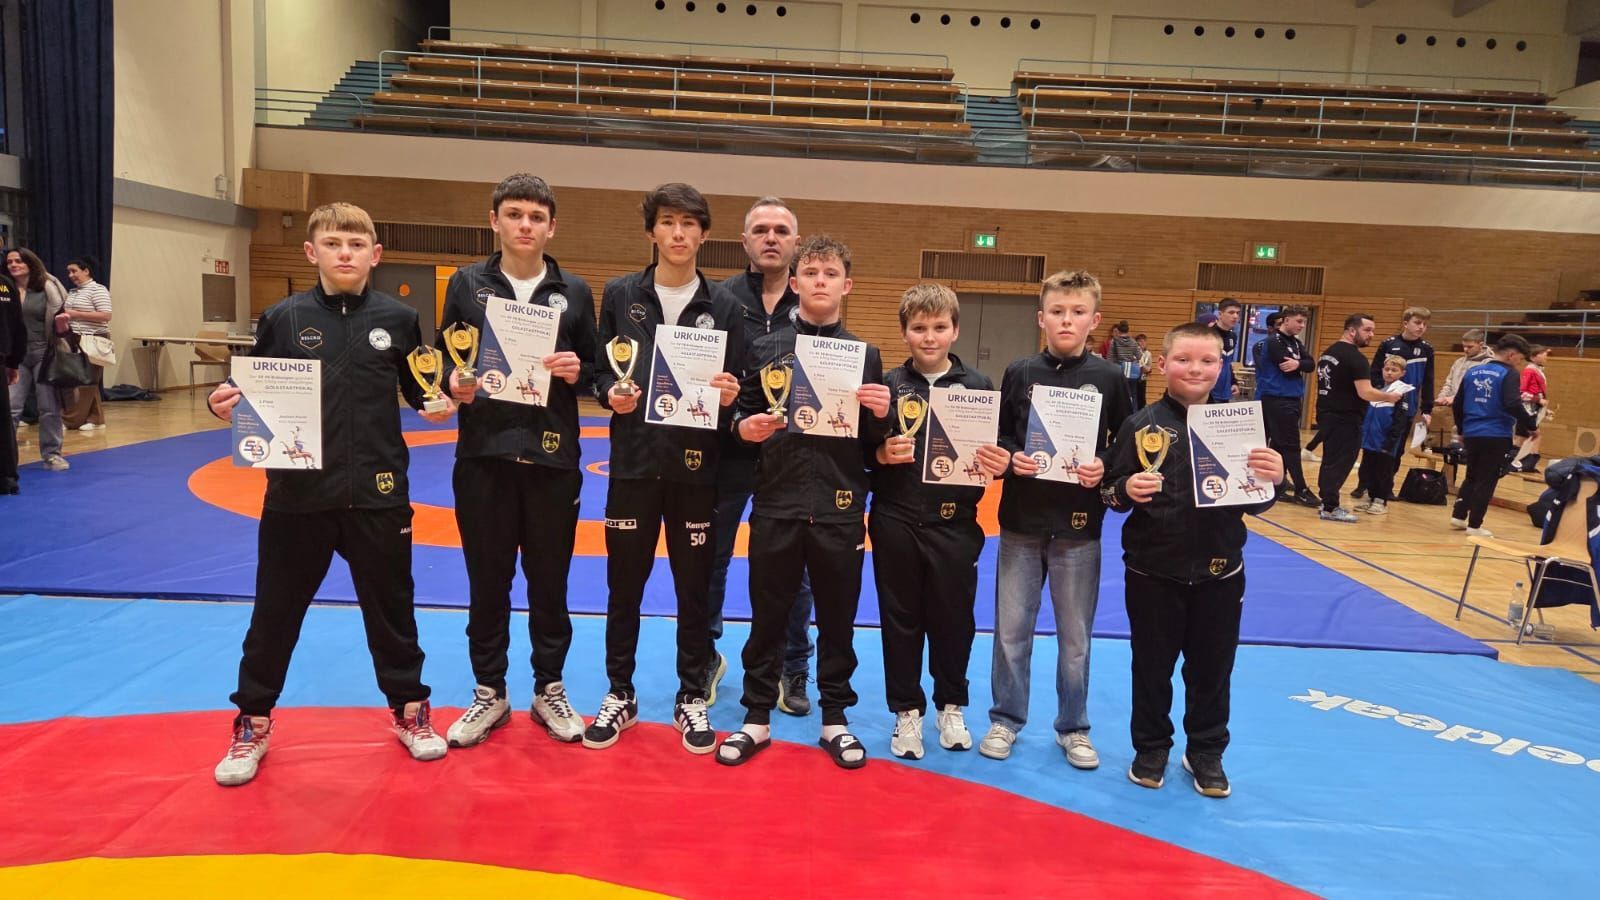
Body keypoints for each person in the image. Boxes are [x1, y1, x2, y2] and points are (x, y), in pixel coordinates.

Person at [207, 202, 456, 786]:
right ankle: (252, 720)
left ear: (376, 254)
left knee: (393, 609)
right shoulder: (282, 317)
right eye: (333, 243)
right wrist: (224, 404)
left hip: (379, 490)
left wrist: (438, 402)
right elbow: (248, 391)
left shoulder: (400, 319)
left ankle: (410, 709)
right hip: (298, 493)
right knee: (275, 612)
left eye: (356, 244)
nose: (345, 253)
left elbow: (417, 388)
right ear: (311, 251)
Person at [716, 235, 890, 769]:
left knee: (838, 619)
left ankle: (835, 719)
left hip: (840, 504)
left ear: (846, 285)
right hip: (777, 500)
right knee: (768, 615)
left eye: (830, 273)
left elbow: (873, 445)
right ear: (794, 283)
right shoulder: (766, 348)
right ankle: (756, 717)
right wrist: (743, 426)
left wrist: (881, 413)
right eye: (810, 273)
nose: (820, 281)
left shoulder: (866, 355)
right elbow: (738, 421)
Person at [436, 174, 597, 749]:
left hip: (553, 459)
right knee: (488, 582)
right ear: (495, 220)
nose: (525, 225)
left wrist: (578, 373)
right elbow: (445, 357)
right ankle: (490, 692)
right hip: (484, 455)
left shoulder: (574, 291)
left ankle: (549, 687)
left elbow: (597, 372)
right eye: (514, 214)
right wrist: (453, 381)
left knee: (550, 583)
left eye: (536, 216)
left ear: (552, 227)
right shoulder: (465, 283)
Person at [585, 183, 745, 755]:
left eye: (689, 223)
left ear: (704, 234)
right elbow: (600, 371)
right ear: (652, 231)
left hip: (697, 471)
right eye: (668, 222)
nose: (679, 233)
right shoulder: (621, 293)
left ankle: (691, 694)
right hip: (632, 464)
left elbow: (739, 389)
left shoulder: (726, 306)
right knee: (623, 586)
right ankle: (620, 692)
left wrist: (731, 396)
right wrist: (609, 395)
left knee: (693, 590)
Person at [1103, 321, 1284, 798]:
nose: (1195, 369)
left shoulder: (1241, 426)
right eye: (1183, 359)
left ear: (1221, 367)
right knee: (1151, 667)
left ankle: (1205, 751)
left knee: (1212, 670)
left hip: (1220, 572)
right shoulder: (1139, 425)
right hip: (1151, 571)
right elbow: (1108, 493)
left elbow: (1258, 503)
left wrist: (1275, 478)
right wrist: (1126, 488)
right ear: (1163, 364)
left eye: (1207, 360)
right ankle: (1151, 747)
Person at [981, 270, 1132, 769]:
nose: (1067, 320)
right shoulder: (1020, 371)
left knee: (1075, 639)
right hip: (1021, 522)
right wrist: (1012, 456)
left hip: (1079, 528)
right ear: (1040, 318)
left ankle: (1074, 727)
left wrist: (1103, 465)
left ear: (1095, 320)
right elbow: (1000, 435)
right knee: (1010, 632)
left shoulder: (1110, 378)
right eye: (1058, 312)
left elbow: (1125, 445)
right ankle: (1006, 718)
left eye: (1078, 312)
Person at [869, 283, 1008, 759]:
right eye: (919, 328)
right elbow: (862, 453)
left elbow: (996, 452)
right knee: (900, 620)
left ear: (955, 330)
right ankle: (906, 711)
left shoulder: (980, 387)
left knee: (954, 621)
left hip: (955, 523)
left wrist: (997, 462)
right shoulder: (888, 386)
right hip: (896, 518)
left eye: (939, 327)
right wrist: (879, 454)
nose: (929, 337)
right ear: (904, 332)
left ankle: (951, 705)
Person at [707, 196, 816, 715]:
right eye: (761, 230)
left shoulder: (812, 306)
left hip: (791, 460)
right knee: (711, 559)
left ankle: (793, 665)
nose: (771, 238)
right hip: (727, 451)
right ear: (744, 241)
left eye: (781, 231)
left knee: (794, 571)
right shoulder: (717, 299)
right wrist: (733, 422)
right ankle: (705, 655)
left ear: (796, 243)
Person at [1313, 314, 1401, 523]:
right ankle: (1330, 506)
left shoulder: (1328, 352)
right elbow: (1365, 392)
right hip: (1346, 417)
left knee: (1330, 460)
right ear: (1352, 330)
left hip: (1326, 414)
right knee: (1340, 462)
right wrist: (1390, 397)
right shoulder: (1355, 358)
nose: (1372, 335)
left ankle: (1327, 502)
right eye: (1367, 330)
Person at [1450, 335, 1538, 537]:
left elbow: (1457, 403)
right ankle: (1475, 525)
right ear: (1511, 355)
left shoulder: (1473, 371)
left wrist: (1462, 430)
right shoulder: (1509, 373)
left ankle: (1459, 515)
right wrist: (1530, 424)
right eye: (1520, 359)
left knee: (1472, 475)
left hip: (1472, 432)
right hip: (1495, 433)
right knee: (1487, 479)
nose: (1519, 363)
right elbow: (1512, 403)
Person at [4, 249, 71, 477]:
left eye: (18, 261)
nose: (13, 264)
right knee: (10, 408)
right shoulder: (5, 288)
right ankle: (6, 458)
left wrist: (62, 326)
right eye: (10, 262)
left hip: (44, 352)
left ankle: (52, 454)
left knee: (48, 407)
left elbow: (62, 327)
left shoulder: (47, 287)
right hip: (15, 356)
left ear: (30, 263)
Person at [1254, 306, 1318, 507]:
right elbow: (1284, 365)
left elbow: (1311, 364)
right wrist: (1301, 364)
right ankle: (1301, 489)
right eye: (1298, 321)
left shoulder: (1296, 343)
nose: (1302, 325)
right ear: (1286, 320)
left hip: (1291, 398)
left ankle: (1277, 485)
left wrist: (1298, 364)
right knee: (1290, 445)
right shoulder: (1274, 342)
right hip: (1277, 398)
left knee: (1279, 445)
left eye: (1304, 322)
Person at [1353, 355, 1417, 516]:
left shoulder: (1403, 391)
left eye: (1394, 370)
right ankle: (1371, 497)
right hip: (1370, 438)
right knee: (1368, 469)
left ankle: (1380, 500)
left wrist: (1391, 441)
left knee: (1383, 471)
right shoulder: (1377, 389)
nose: (1389, 373)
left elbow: (1400, 420)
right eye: (1387, 369)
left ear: (1402, 373)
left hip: (1386, 440)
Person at [58, 256, 112, 431]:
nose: (70, 275)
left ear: (86, 271)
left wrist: (76, 314)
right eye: (69, 272)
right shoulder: (73, 292)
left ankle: (70, 420)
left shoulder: (98, 289)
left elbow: (106, 315)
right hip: (75, 338)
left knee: (87, 381)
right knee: (85, 380)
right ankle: (96, 419)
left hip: (94, 337)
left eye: (74, 271)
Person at [1435, 329, 1491, 445]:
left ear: (1481, 345)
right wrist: (1442, 397)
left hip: (1475, 412)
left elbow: (1479, 389)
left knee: (1469, 447)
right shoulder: (1459, 362)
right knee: (1450, 445)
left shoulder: (1488, 363)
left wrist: (1456, 398)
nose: (1465, 349)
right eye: (1464, 346)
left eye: (1470, 347)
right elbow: (1449, 383)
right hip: (1455, 409)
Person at [1509, 344, 1550, 473]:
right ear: (1533, 357)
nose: (1546, 356)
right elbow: (1521, 392)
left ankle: (1521, 462)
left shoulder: (1537, 370)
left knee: (1525, 436)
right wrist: (1538, 400)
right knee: (1530, 436)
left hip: (1533, 408)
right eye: (1542, 353)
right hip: (1527, 409)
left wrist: (1543, 408)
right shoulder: (1529, 371)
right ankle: (1518, 462)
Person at [0, 263, 21, 494]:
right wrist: (14, 361)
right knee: (3, 420)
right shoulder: (6, 284)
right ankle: (7, 477)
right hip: (2, 359)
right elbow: (18, 327)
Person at [1208, 299, 1242, 404]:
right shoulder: (1207, 335)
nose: (1235, 316)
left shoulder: (1233, 336)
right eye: (1231, 312)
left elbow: (1228, 363)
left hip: (1225, 393)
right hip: (1208, 392)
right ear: (1220, 314)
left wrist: (1233, 382)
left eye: (1237, 313)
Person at [1105, 320, 1142, 409]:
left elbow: (1109, 358)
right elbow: (1139, 356)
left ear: (1118, 330)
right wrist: (1131, 359)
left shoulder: (1114, 342)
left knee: (1118, 394)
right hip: (1131, 372)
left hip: (1118, 371)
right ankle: (1133, 413)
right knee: (1133, 394)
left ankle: (1119, 413)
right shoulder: (1133, 342)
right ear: (1128, 330)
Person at [1133, 334, 1152, 409]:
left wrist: (1142, 365)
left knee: (1141, 400)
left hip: (1142, 379)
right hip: (1132, 379)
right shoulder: (1132, 353)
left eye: (1144, 341)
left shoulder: (1148, 354)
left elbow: (1149, 369)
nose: (1142, 343)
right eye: (1140, 341)